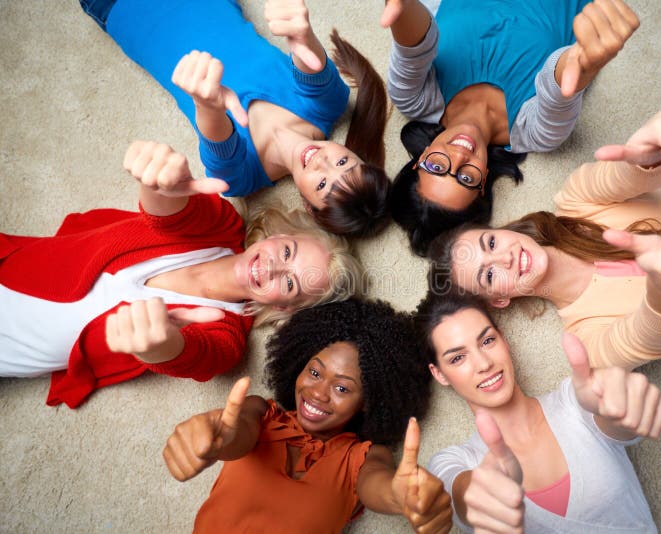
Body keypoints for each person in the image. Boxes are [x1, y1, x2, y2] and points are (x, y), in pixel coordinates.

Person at [427, 94, 661, 369]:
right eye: (489, 273)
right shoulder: (587, 340)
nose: (504, 256)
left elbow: (625, 174)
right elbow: (649, 336)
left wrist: (649, 152)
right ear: (499, 300)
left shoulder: (575, 200)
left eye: (490, 243)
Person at [0, 141, 363, 408]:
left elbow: (193, 356)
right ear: (280, 235)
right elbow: (166, 210)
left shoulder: (227, 337)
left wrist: (161, 346)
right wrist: (159, 182)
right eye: (287, 252)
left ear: (286, 308)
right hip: (15, 264)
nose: (272, 266)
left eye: (289, 282)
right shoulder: (221, 224)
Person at [80, 0, 390, 237]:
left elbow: (217, 136)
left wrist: (209, 106)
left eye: (323, 184)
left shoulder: (241, 179)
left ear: (308, 206)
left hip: (124, 10)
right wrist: (301, 31)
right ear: (356, 154)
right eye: (343, 164)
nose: (323, 163)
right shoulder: (330, 104)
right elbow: (308, 59)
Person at [163, 299, 453, 533]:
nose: (318, 393)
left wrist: (401, 496)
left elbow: (378, 485)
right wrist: (217, 438)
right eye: (314, 372)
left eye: (342, 387)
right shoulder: (262, 413)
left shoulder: (361, 457)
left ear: (368, 402)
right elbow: (235, 434)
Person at [380, 0, 640, 254]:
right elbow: (559, 82)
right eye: (466, 178)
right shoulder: (537, 133)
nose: (459, 156)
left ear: (420, 158)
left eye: (437, 167)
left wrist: (402, 5)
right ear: (482, 187)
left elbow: (413, 45)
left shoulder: (414, 99)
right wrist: (584, 61)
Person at [415, 292, 661, 532]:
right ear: (439, 374)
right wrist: (479, 494)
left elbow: (613, 419)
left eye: (488, 341)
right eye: (457, 358)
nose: (484, 363)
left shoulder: (574, 400)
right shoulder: (452, 462)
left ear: (503, 339)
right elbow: (460, 494)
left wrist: (622, 408)